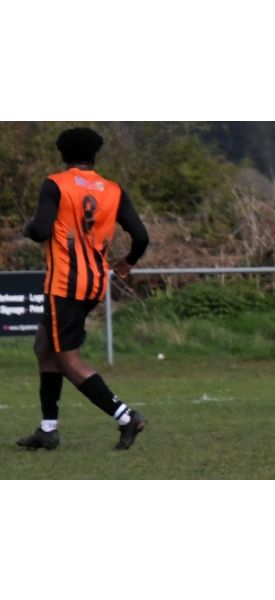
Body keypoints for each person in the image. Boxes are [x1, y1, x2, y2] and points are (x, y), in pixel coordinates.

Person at [17, 127, 150, 450]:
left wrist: (28, 228)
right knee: (44, 346)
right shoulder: (113, 190)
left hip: (65, 284)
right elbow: (141, 236)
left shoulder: (56, 184)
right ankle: (47, 430)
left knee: (68, 359)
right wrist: (128, 261)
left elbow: (41, 230)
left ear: (63, 155)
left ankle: (125, 417)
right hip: (93, 283)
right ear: (94, 155)